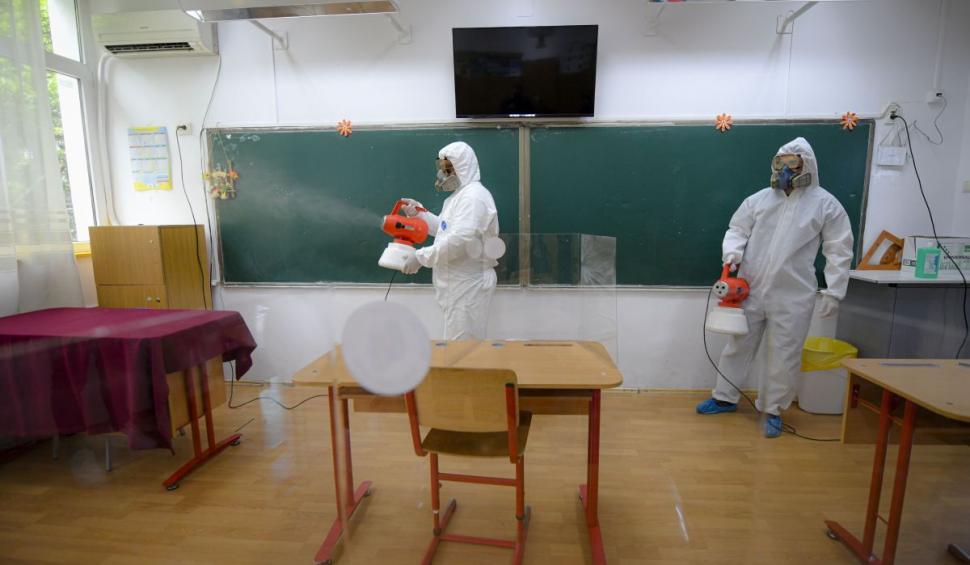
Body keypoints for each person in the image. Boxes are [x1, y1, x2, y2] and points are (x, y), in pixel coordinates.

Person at [696, 137, 854, 438]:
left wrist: (835, 291)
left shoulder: (825, 205)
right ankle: (724, 397)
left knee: (784, 353)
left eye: (792, 163)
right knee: (738, 345)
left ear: (807, 166)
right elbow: (737, 229)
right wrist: (732, 253)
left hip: (793, 293)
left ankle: (772, 410)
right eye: (780, 163)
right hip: (751, 288)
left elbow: (839, 248)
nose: (784, 170)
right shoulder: (759, 200)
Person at [399, 141, 500, 340]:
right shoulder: (458, 197)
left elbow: (460, 240)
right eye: (443, 168)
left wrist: (420, 257)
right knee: (458, 347)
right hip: (459, 286)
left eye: (448, 169)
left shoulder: (473, 197)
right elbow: (446, 230)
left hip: (468, 285)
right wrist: (420, 214)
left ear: (463, 166)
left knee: (464, 349)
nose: (443, 174)